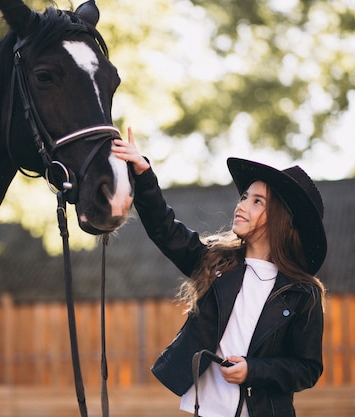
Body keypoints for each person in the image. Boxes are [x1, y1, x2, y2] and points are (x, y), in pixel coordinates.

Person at [112, 128, 327, 417]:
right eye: (244, 196)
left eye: (257, 201)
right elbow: (164, 229)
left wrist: (255, 370)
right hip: (207, 410)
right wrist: (143, 174)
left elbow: (308, 368)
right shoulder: (215, 263)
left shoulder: (302, 293)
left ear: (281, 219)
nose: (241, 205)